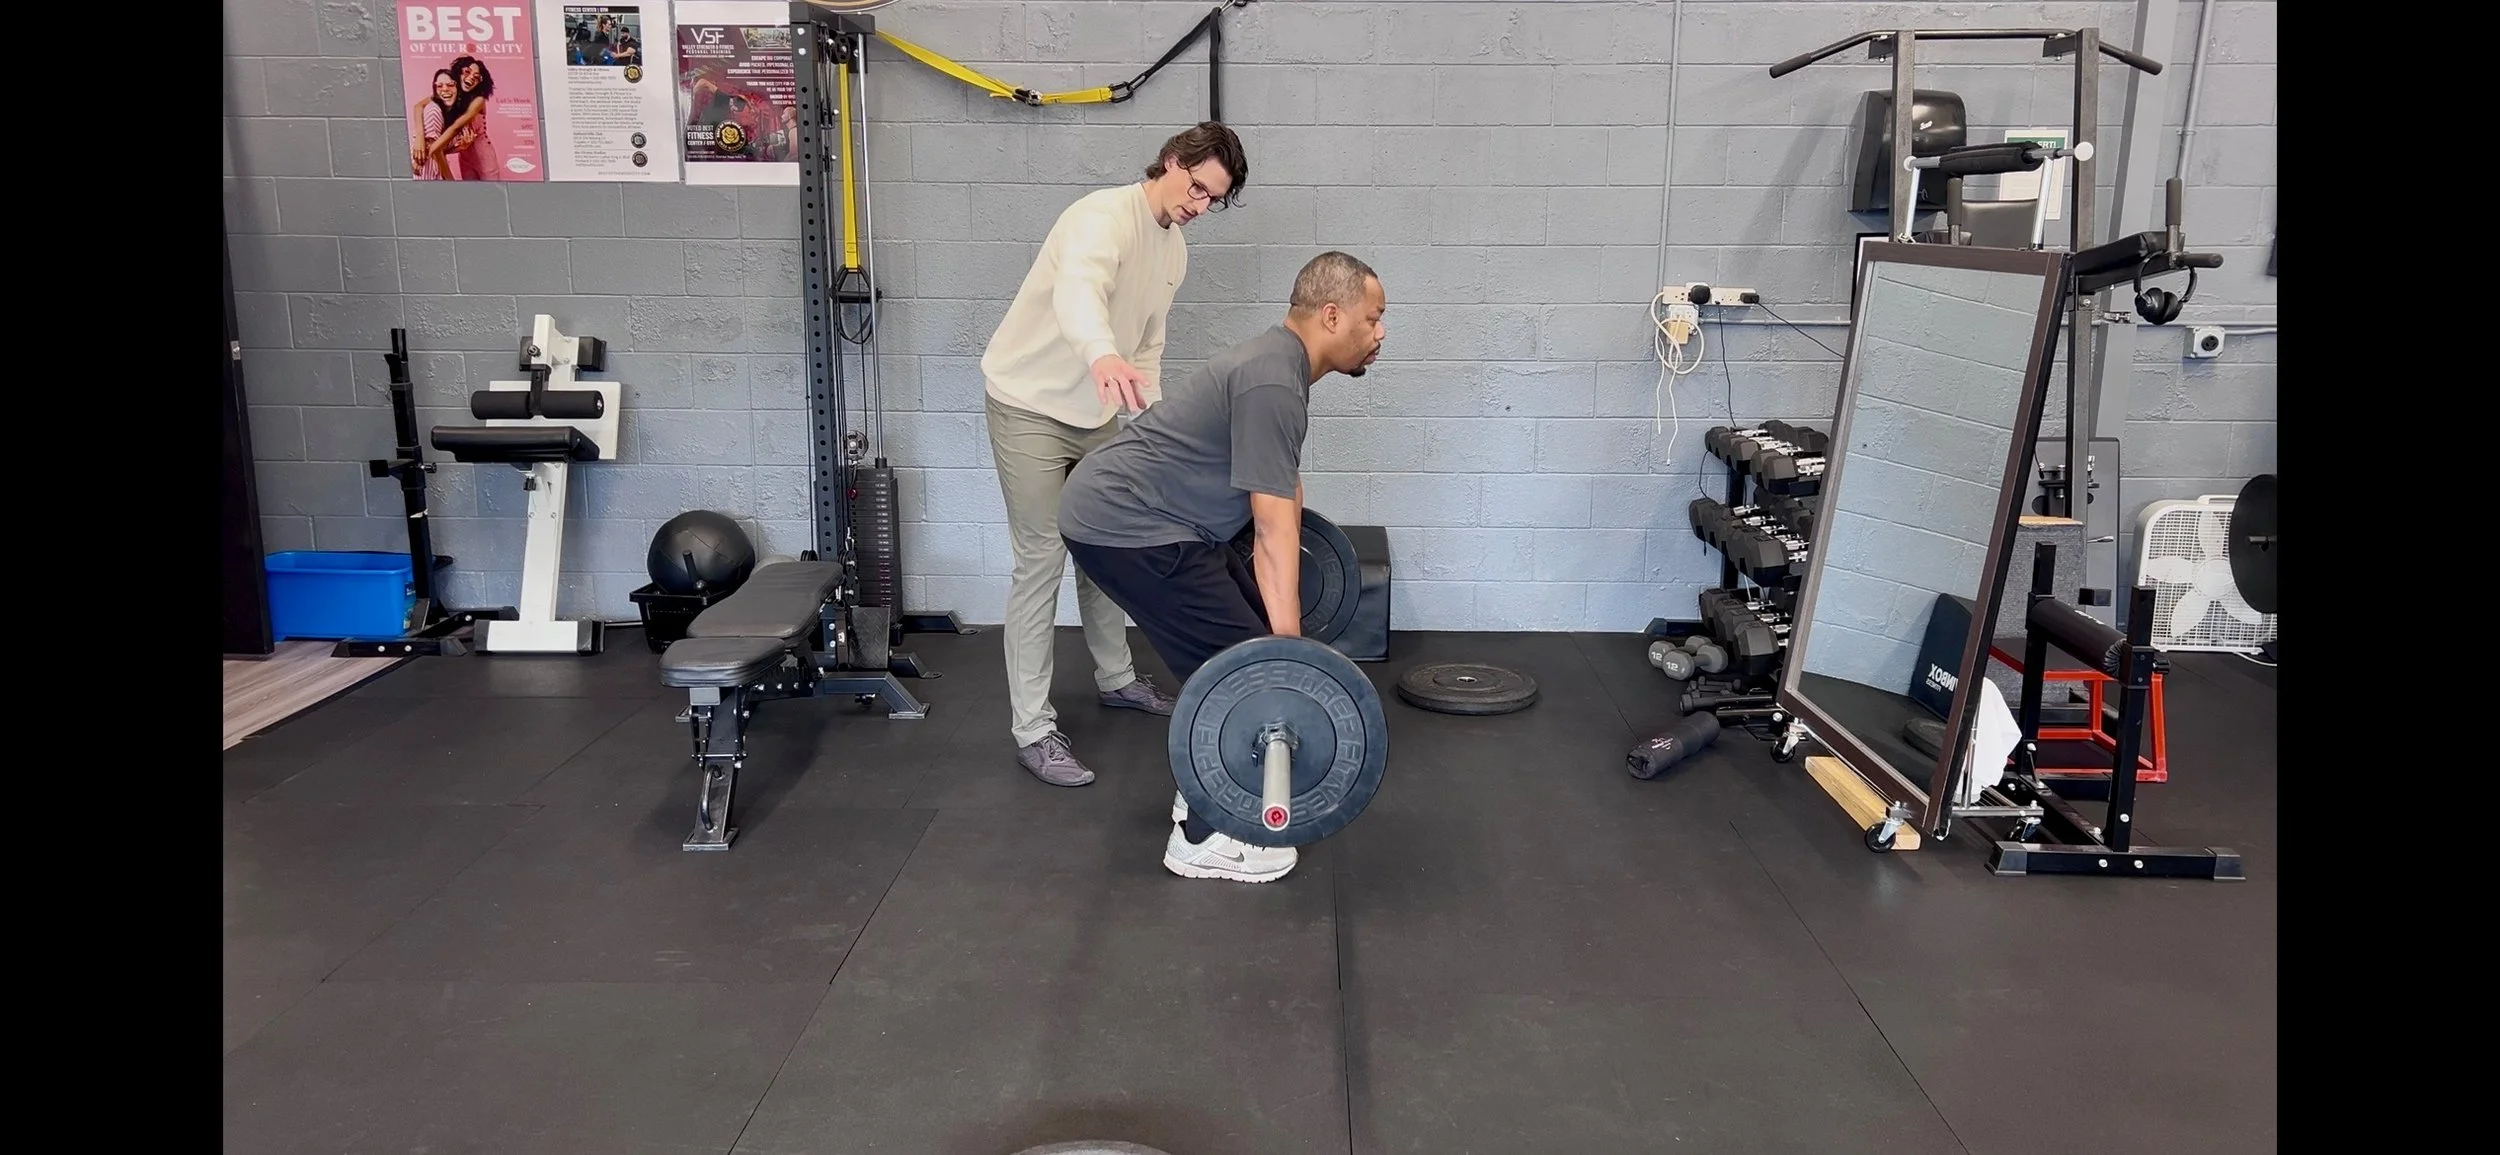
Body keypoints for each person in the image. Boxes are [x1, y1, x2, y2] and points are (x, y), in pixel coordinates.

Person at [1057, 251, 1388, 884]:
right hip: (1129, 525)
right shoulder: (1272, 379)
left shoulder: (1280, 366)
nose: (1380, 334)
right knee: (1248, 673)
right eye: (1372, 319)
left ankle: (1210, 790)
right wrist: (1290, 662)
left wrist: (1281, 633)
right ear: (1331, 314)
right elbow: (1269, 529)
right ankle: (1203, 833)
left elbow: (1282, 487)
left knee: (1253, 647)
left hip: (1172, 522)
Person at [978, 122, 1251, 790]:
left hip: (1100, 413)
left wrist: (1152, 427)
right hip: (1030, 407)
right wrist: (1101, 352)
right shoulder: (1100, 218)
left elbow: (1149, 345)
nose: (1198, 204)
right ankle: (1033, 730)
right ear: (1169, 161)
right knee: (1041, 559)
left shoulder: (1174, 252)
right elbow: (1080, 293)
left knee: (1108, 549)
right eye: (1196, 187)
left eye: (1212, 199)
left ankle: (1118, 678)